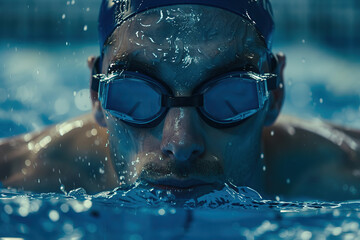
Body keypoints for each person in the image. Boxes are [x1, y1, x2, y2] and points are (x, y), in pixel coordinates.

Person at [1, 0, 360, 201]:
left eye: (230, 94)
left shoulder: (346, 174)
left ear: (275, 91)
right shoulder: (14, 177)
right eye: (136, 95)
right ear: (97, 93)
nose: (181, 143)